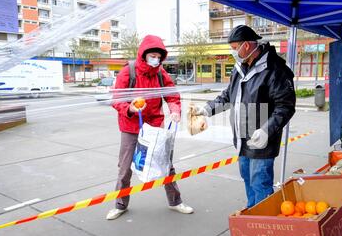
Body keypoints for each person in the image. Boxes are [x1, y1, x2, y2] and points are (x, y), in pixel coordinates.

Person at [191, 25, 296, 208]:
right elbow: (229, 95)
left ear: (246, 45)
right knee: (248, 180)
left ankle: (263, 222)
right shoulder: (240, 67)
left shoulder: (275, 69)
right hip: (242, 140)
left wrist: (266, 130)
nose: (233, 53)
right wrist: (207, 109)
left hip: (262, 141)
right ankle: (252, 214)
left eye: (234, 48)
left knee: (260, 183)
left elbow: (285, 106)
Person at [107, 35, 194, 220]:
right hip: (131, 127)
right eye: (152, 55)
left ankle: (175, 201)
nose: (156, 59)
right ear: (143, 55)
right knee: (125, 168)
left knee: (166, 165)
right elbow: (116, 99)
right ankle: (120, 205)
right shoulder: (127, 72)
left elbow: (172, 95)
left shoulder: (161, 74)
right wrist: (129, 108)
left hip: (155, 126)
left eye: (158, 56)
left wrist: (175, 109)